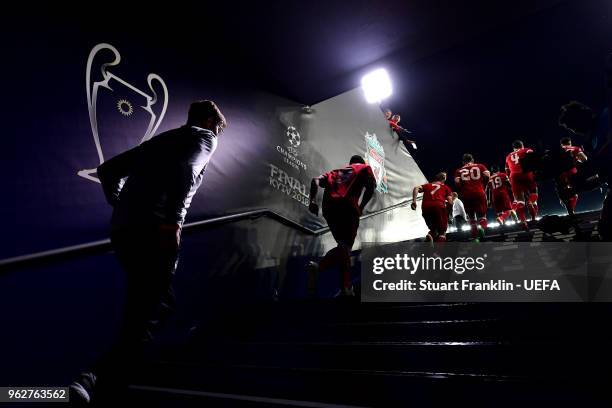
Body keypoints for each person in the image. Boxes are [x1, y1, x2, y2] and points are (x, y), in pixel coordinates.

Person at [69, 100, 227, 404]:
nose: (218, 132)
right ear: (209, 121)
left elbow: (107, 170)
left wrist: (121, 205)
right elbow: (185, 170)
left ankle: (99, 379)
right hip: (156, 231)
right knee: (149, 314)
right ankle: (94, 380)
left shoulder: (161, 140)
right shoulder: (205, 137)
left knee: (152, 306)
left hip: (124, 231)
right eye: (218, 126)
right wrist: (173, 222)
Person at [309, 155, 376, 296]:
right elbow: (371, 187)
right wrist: (361, 206)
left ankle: (345, 286)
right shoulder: (364, 168)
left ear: (349, 163)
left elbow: (315, 180)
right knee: (345, 247)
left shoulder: (334, 173)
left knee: (342, 246)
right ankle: (336, 279)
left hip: (329, 209)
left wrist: (312, 201)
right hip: (348, 207)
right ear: (361, 162)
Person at [454, 153, 490, 241]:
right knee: (482, 216)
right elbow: (487, 175)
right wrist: (483, 186)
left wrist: (462, 190)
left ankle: (475, 238)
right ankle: (482, 229)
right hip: (479, 192)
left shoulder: (458, 170)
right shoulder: (480, 166)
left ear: (463, 162)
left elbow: (457, 182)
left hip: (466, 195)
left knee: (471, 217)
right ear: (472, 160)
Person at [411, 172, 453, 243]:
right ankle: (437, 253)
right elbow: (450, 202)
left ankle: (430, 236)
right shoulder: (446, 187)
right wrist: (447, 213)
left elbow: (416, 188)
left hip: (426, 208)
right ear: (444, 179)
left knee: (433, 230)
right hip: (438, 207)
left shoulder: (427, 185)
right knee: (442, 232)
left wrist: (414, 201)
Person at [505, 140, 538, 229]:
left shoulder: (508, 156)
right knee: (533, 196)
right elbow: (534, 159)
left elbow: (507, 171)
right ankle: (533, 218)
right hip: (526, 173)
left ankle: (523, 221)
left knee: (520, 201)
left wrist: (511, 180)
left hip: (514, 177)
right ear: (522, 145)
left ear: (513, 148)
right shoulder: (527, 150)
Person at [557, 136, 588, 216]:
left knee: (565, 195)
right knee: (574, 194)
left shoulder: (558, 151)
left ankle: (571, 212)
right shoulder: (575, 148)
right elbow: (584, 159)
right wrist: (577, 160)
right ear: (570, 143)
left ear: (561, 145)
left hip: (560, 175)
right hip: (572, 173)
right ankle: (572, 213)